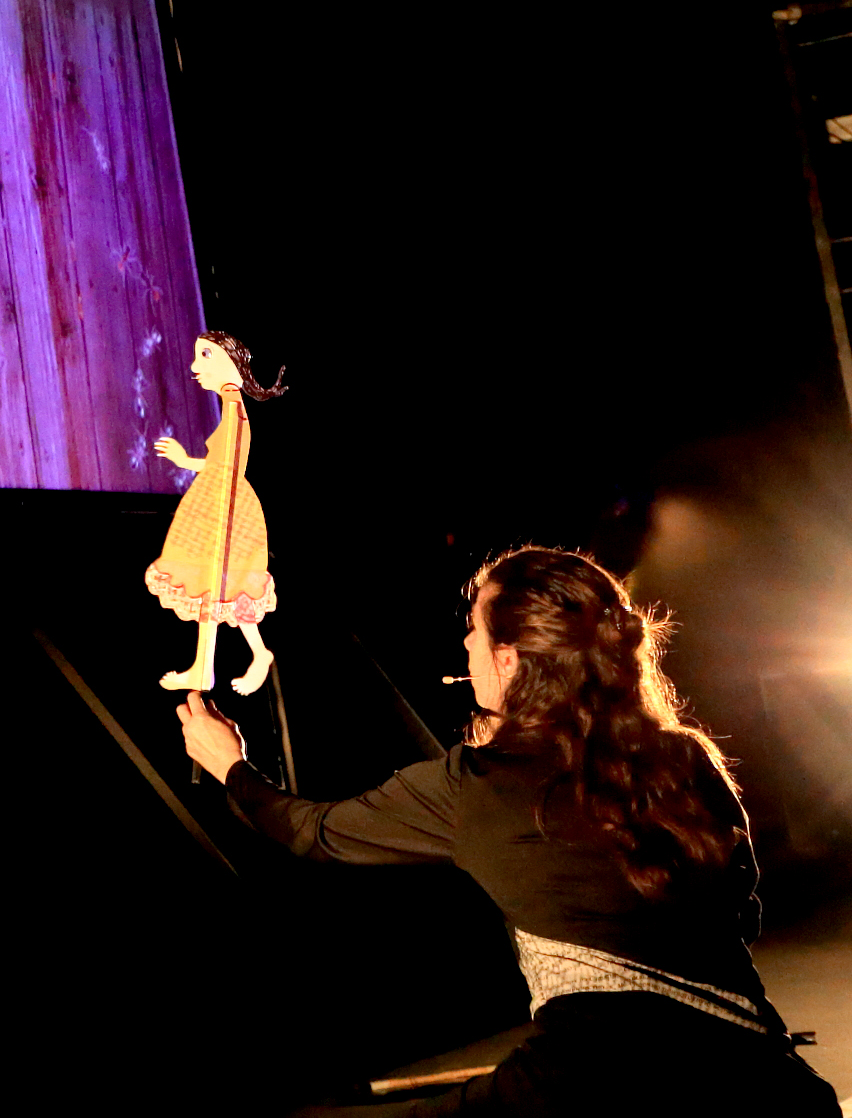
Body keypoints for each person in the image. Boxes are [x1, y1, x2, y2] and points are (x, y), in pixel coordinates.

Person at [174, 545, 840, 1116]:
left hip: (587, 1089)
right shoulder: (686, 757)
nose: (465, 644)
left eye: (473, 627)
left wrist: (230, 766)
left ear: (512, 659)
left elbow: (309, 833)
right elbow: (743, 916)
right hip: (767, 1085)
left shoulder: (474, 786)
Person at [148, 331, 286, 695]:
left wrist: (184, 461)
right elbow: (223, 463)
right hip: (220, 498)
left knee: (221, 580)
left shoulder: (235, 410)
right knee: (220, 582)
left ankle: (216, 665)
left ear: (231, 363)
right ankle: (220, 663)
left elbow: (230, 466)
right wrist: (188, 462)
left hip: (227, 505)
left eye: (206, 356)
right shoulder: (230, 406)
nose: (196, 367)